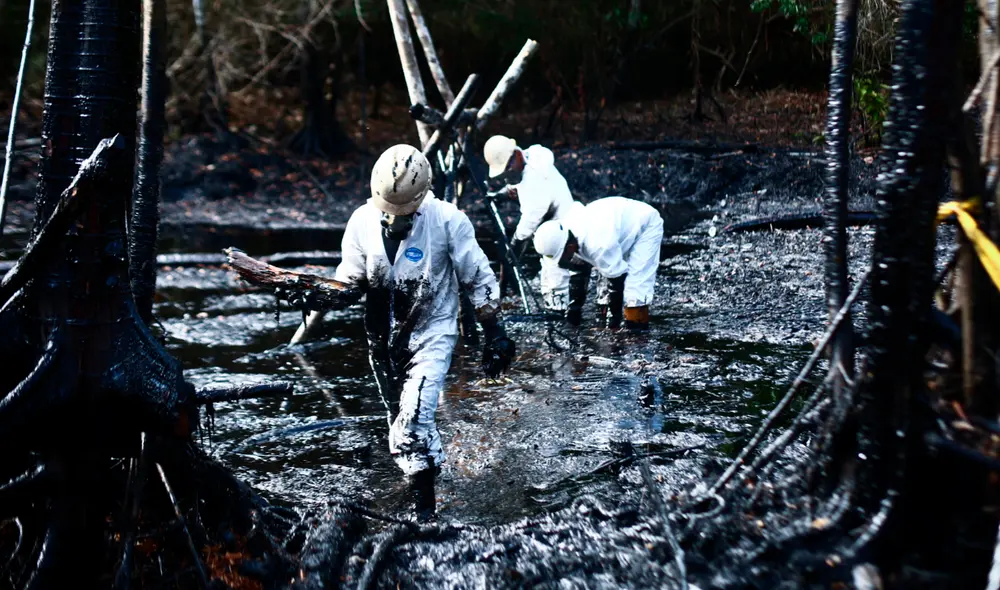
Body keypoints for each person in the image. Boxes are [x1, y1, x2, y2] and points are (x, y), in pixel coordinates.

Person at [332, 144, 516, 516]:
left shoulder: (448, 221)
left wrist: (494, 331)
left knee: (413, 417)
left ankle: (425, 515)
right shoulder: (360, 220)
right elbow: (349, 276)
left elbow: (476, 275)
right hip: (381, 337)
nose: (393, 219)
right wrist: (321, 294)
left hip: (432, 330)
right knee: (397, 415)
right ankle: (426, 473)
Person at [532, 196, 664, 332]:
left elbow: (616, 280)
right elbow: (575, 270)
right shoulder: (560, 235)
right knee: (602, 292)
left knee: (635, 290)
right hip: (615, 226)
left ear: (570, 246)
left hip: (645, 225)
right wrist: (570, 314)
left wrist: (614, 323)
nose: (562, 261)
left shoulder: (599, 245)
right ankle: (596, 320)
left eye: (562, 257)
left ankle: (637, 332)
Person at [483, 135, 578, 311]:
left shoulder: (535, 180)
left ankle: (559, 316)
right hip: (555, 223)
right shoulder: (532, 155)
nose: (507, 176)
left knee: (555, 275)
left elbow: (530, 220)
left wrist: (516, 244)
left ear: (516, 155)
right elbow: (518, 184)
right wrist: (501, 194)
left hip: (560, 229)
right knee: (548, 274)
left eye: (507, 171)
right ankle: (556, 308)